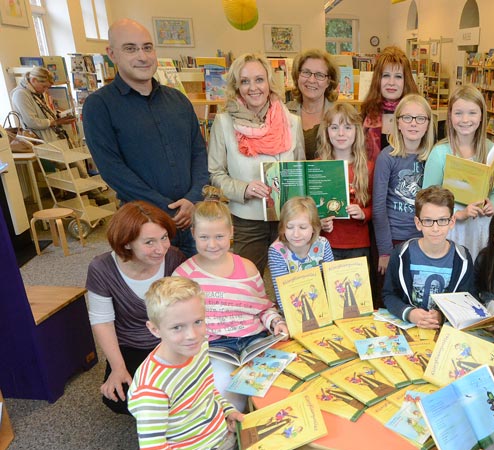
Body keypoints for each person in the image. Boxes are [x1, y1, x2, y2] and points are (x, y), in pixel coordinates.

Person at [128, 276, 324, 450]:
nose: (192, 335)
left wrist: (226, 410)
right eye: (177, 327)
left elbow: (206, 390)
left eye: (198, 322)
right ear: (154, 329)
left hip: (228, 441)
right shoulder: (151, 391)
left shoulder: (197, 347)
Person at [83, 19, 208, 257]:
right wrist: (163, 208)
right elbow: (112, 170)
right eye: (130, 48)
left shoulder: (178, 100)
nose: (143, 56)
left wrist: (193, 198)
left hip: (192, 219)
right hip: (143, 226)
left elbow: (199, 152)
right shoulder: (99, 105)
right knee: (153, 292)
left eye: (147, 47)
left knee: (197, 289)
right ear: (112, 54)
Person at [173, 186, 288, 411]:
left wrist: (276, 322)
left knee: (274, 387)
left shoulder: (247, 268)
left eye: (219, 236)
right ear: (193, 233)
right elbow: (176, 323)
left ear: (231, 233)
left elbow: (263, 307)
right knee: (226, 391)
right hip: (214, 346)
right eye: (204, 237)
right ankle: (233, 437)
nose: (212, 244)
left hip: (254, 340)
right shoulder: (183, 275)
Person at [209, 53, 305, 275]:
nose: (253, 87)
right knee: (247, 281)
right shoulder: (223, 123)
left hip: (289, 218)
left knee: (294, 282)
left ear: (269, 82)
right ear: (236, 86)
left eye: (259, 79)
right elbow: (215, 173)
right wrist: (243, 189)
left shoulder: (292, 122)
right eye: (245, 81)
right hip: (247, 219)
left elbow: (299, 168)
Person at [85, 201, 185, 415]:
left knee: (184, 391)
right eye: (149, 242)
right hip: (132, 345)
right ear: (127, 243)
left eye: (164, 237)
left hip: (171, 341)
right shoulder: (101, 268)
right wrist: (118, 368)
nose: (161, 249)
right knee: (120, 398)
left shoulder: (174, 258)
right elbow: (102, 321)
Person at [423, 85, 494, 258]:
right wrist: (459, 214)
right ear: (450, 116)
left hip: (481, 226)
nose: (465, 119)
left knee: (478, 269)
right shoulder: (440, 153)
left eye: (472, 113)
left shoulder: (490, 149)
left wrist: (493, 206)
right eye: (458, 113)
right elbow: (426, 200)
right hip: (453, 227)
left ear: (482, 115)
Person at [382, 186, 474, 328]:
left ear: (452, 222)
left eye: (442, 220)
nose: (435, 228)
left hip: (443, 331)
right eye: (428, 221)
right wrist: (408, 313)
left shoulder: (463, 259)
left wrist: (443, 315)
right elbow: (389, 295)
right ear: (418, 223)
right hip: (409, 327)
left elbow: (466, 301)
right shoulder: (401, 254)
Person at [372, 94, 435, 276]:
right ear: (398, 123)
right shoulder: (387, 157)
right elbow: (378, 207)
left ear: (428, 124)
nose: (413, 123)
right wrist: (384, 250)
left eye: (420, 118)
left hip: (423, 238)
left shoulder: (433, 156)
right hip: (393, 238)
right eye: (407, 118)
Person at [317, 102, 375, 260]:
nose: (340, 133)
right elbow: (309, 207)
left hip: (359, 244)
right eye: (334, 127)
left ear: (357, 131)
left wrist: (364, 213)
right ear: (326, 131)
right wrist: (318, 222)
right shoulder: (317, 167)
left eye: (347, 127)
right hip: (325, 242)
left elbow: (376, 206)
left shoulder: (368, 168)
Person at [268, 196, 334, 309]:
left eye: (303, 227)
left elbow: (332, 280)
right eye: (289, 227)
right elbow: (282, 293)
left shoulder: (323, 244)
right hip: (291, 307)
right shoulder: (277, 251)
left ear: (314, 227)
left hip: (320, 303)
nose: (296, 234)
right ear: (283, 228)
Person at [361, 46, 420, 162]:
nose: (391, 82)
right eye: (386, 75)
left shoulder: (419, 118)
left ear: (406, 80)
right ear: (378, 79)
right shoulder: (365, 116)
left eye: (398, 76)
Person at [287, 49, 340, 160]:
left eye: (320, 75)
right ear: (297, 76)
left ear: (329, 81)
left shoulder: (341, 114)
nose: (311, 80)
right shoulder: (283, 112)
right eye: (306, 72)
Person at [10, 66, 76, 144]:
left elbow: (44, 114)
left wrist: (59, 118)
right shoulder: (21, 94)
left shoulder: (36, 93)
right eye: (44, 86)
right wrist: (54, 122)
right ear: (34, 80)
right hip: (40, 141)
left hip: (52, 138)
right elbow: (31, 122)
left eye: (47, 87)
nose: (45, 90)